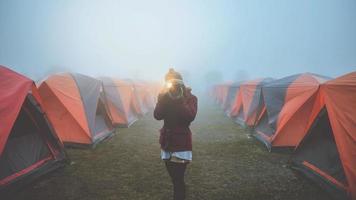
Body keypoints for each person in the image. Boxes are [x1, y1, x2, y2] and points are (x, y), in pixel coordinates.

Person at [154, 68, 198, 200]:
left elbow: (189, 117)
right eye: (168, 83)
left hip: (181, 143)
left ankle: (180, 195)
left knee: (178, 179)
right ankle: (181, 192)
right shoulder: (164, 97)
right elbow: (157, 116)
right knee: (175, 179)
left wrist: (179, 99)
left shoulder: (190, 98)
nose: (171, 86)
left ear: (181, 83)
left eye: (174, 83)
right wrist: (161, 99)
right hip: (167, 142)